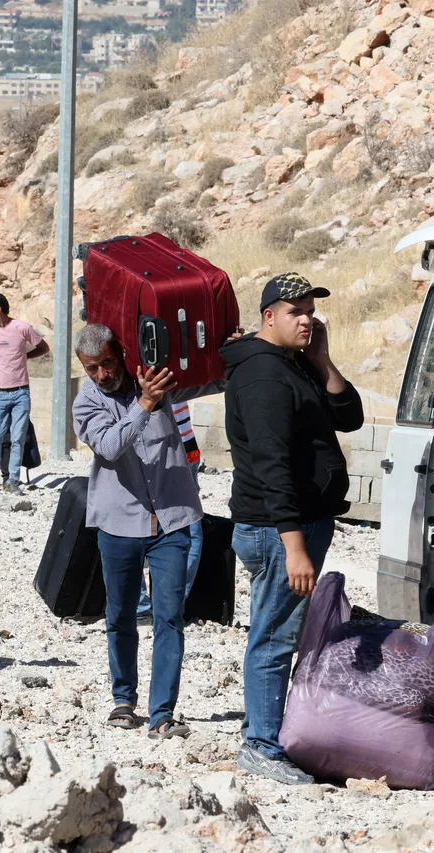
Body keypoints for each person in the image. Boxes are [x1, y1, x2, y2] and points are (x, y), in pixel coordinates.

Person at [221, 273, 364, 785]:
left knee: (279, 629)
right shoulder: (263, 377)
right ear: (268, 317)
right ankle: (260, 744)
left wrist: (323, 361)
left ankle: (264, 727)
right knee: (275, 636)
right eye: (295, 311)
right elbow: (270, 465)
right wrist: (294, 545)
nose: (307, 319)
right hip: (278, 530)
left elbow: (350, 418)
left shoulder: (295, 366)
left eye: (310, 310)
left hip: (298, 525)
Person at [72, 323, 225, 741]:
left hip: (173, 518)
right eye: (92, 368)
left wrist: (229, 350)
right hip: (119, 523)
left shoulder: (154, 379)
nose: (102, 374)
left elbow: (206, 379)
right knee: (120, 615)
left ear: (118, 353)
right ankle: (124, 699)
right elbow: (108, 446)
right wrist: (145, 404)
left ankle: (163, 713)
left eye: (106, 363)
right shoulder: (86, 402)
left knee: (169, 616)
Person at [0, 293, 49, 494]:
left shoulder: (22, 328)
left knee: (18, 438)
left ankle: (14, 479)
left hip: (21, 393)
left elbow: (43, 347)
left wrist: (26, 356)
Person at [137, 402, 205, 619]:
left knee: (189, 530)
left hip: (185, 448)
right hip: (146, 450)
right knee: (132, 527)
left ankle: (169, 604)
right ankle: (140, 607)